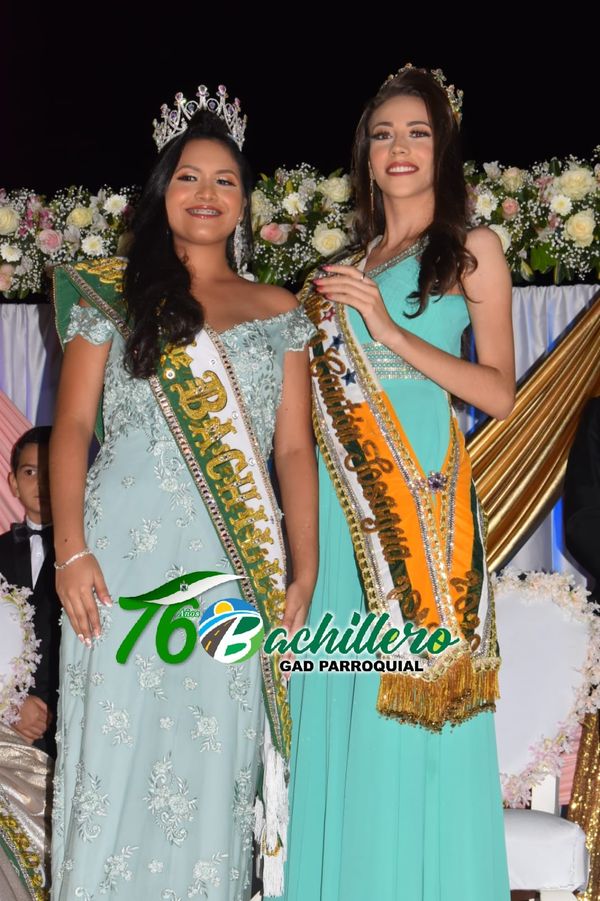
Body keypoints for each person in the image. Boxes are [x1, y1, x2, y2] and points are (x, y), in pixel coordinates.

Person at [49, 86, 317, 900]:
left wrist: (303, 569)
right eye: (189, 177)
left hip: (233, 566)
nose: (206, 193)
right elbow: (72, 426)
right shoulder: (113, 294)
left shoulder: (280, 311)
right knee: (114, 756)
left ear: (245, 200)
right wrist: (70, 549)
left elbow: (293, 448)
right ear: (163, 191)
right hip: (118, 563)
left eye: (225, 180)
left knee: (212, 761)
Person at [282, 65, 515, 900]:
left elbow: (499, 392)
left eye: (417, 132)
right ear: (366, 156)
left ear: (442, 147)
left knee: (411, 720)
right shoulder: (335, 269)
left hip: (421, 515)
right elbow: (299, 426)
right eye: (383, 135)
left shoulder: (472, 250)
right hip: (340, 520)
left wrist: (386, 327)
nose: (399, 148)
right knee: (343, 717)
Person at [0, 425, 60, 758]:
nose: (41, 483)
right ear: (13, 483)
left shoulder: (91, 553)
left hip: (72, 720)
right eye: (30, 472)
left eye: (52, 471)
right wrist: (10, 703)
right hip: (7, 729)